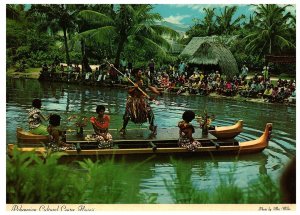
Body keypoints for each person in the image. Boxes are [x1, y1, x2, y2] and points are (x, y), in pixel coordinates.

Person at [119, 68, 161, 135]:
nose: (141, 73)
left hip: (142, 100)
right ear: (135, 74)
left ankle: (151, 126)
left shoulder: (144, 79)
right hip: (133, 100)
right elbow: (129, 91)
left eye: (141, 72)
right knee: (127, 115)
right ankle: (123, 128)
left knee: (150, 113)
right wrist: (134, 88)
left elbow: (149, 87)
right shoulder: (131, 80)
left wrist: (156, 91)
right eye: (139, 72)